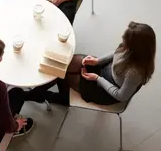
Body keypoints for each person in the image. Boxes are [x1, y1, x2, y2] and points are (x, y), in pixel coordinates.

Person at [25, 22, 156, 106]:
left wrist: (98, 79)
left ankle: (44, 96)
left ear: (135, 47)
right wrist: (98, 61)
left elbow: (121, 96)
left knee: (62, 74)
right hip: (105, 70)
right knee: (62, 64)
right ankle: (38, 93)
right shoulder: (128, 47)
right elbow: (115, 54)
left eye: (125, 40)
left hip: (106, 91)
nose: (122, 40)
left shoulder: (135, 72)